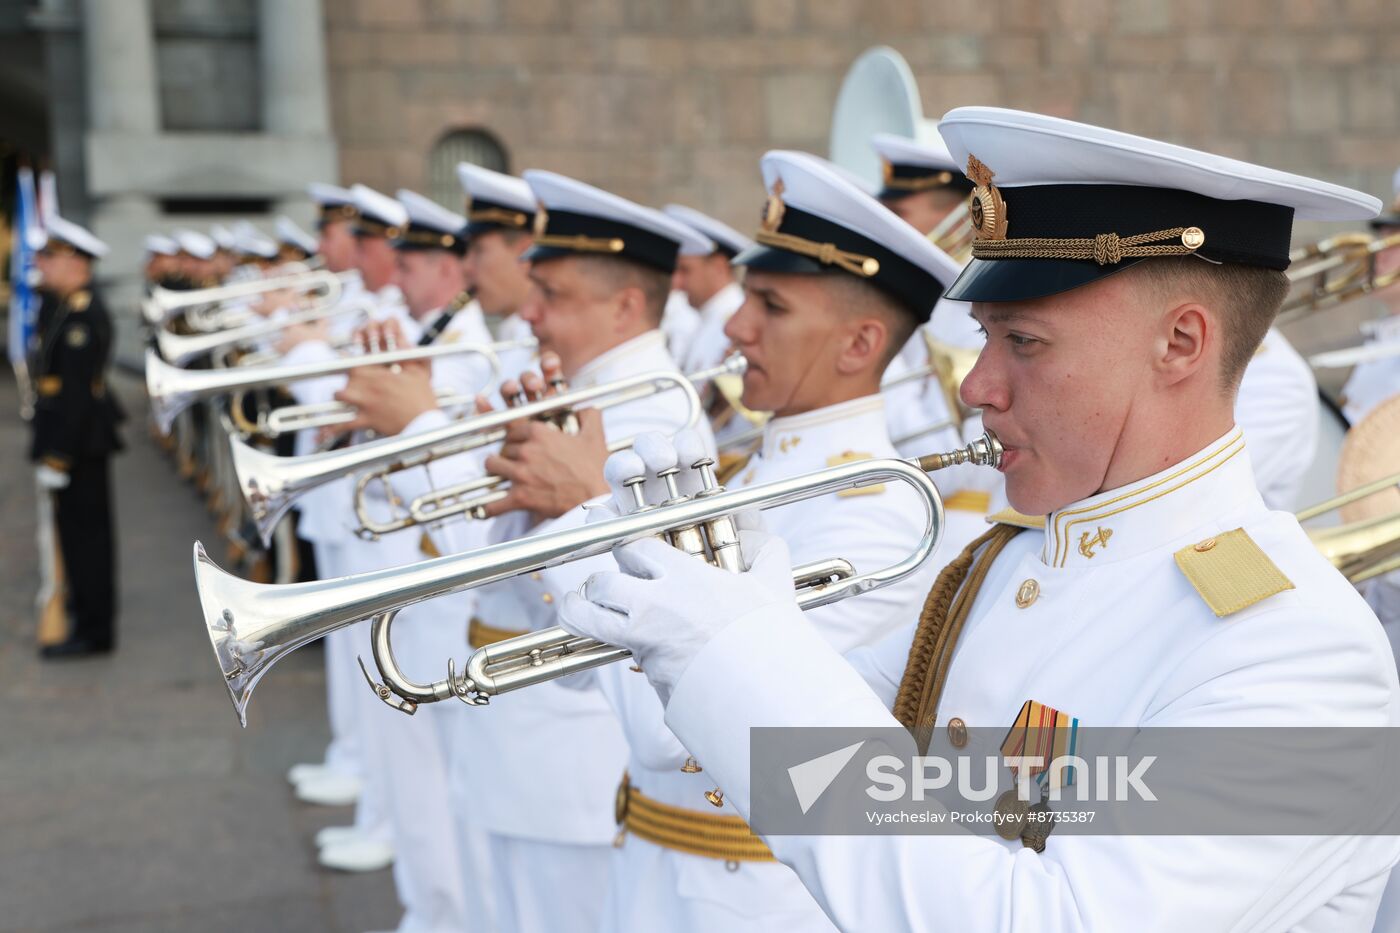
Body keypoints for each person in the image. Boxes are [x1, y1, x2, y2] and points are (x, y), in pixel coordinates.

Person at [559, 107, 1400, 931]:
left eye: (1024, 342)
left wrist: (741, 649)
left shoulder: (1300, 652)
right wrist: (717, 604)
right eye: (985, 338)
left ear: (1181, 342)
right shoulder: (1003, 567)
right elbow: (799, 763)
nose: (977, 386)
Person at [594, 150, 963, 932]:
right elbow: (576, 682)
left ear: (860, 345)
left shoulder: (875, 514)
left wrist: (576, 518)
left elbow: (669, 736)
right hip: (660, 869)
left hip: (748, 899)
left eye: (771, 304)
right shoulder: (750, 464)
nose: (733, 324)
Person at [462, 169, 713, 933]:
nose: (529, 314)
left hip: (573, 758)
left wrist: (561, 498)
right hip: (531, 742)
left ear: (626, 304)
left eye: (555, 297)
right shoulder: (586, 390)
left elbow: (621, 604)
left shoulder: (651, 412)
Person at [29, 216, 124, 659]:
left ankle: (94, 630)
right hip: (72, 436)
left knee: (87, 540)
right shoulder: (65, 305)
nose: (41, 265)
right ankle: (86, 615)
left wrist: (59, 456)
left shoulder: (84, 314)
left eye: (50, 258)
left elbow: (75, 397)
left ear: (75, 263)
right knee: (76, 534)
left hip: (79, 441)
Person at [662, 203, 752, 375]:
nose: (676, 282)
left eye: (685, 270)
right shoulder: (706, 319)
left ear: (719, 267)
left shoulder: (734, 327)